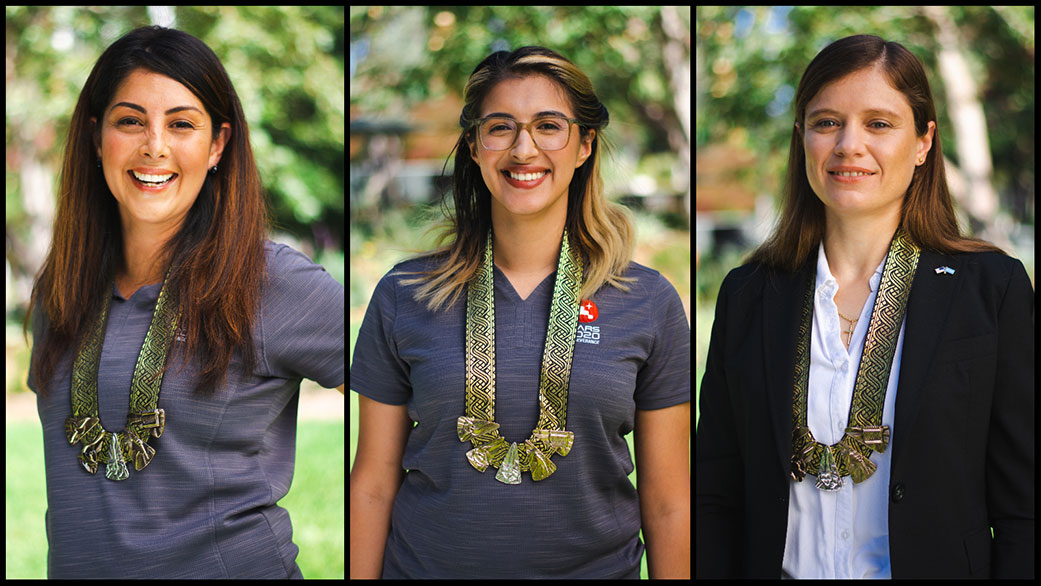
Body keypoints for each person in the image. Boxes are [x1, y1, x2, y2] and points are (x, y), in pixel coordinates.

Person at [696, 34, 1034, 579]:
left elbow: (1023, 509)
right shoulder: (749, 294)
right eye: (827, 122)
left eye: (879, 123)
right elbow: (715, 494)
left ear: (924, 142)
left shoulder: (990, 291)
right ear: (801, 136)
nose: (849, 144)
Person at [350, 46, 690, 579]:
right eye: (501, 127)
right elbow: (371, 483)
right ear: (474, 145)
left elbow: (669, 500)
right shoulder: (406, 293)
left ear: (584, 145)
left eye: (549, 126)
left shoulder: (647, 301)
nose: (523, 149)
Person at [24, 26, 345, 579]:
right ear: (96, 136)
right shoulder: (63, 290)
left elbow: (410, 399)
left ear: (217, 144)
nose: (155, 145)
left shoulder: (273, 282)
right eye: (130, 121)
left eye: (181, 124)